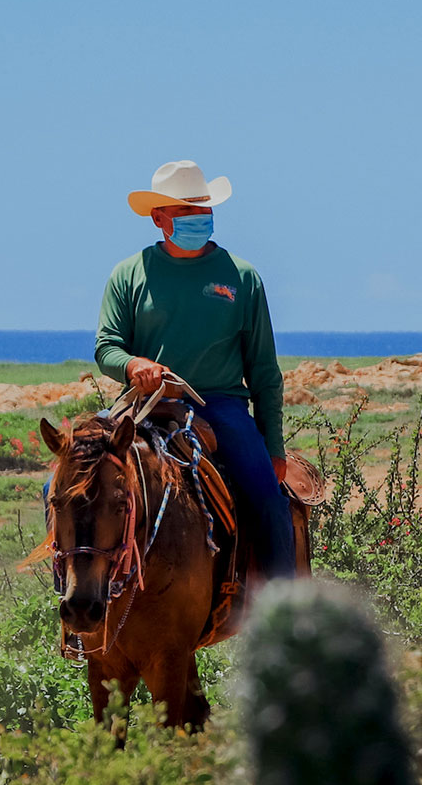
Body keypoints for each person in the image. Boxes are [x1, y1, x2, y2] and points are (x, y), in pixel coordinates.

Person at [94, 159, 295, 577]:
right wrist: (134, 365)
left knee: (269, 502)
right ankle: (75, 599)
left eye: (203, 208)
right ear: (158, 218)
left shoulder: (242, 277)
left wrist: (273, 446)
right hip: (144, 405)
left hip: (220, 407)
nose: (198, 217)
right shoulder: (128, 275)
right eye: (186, 210)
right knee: (62, 484)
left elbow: (263, 370)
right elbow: (107, 347)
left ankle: (287, 605)